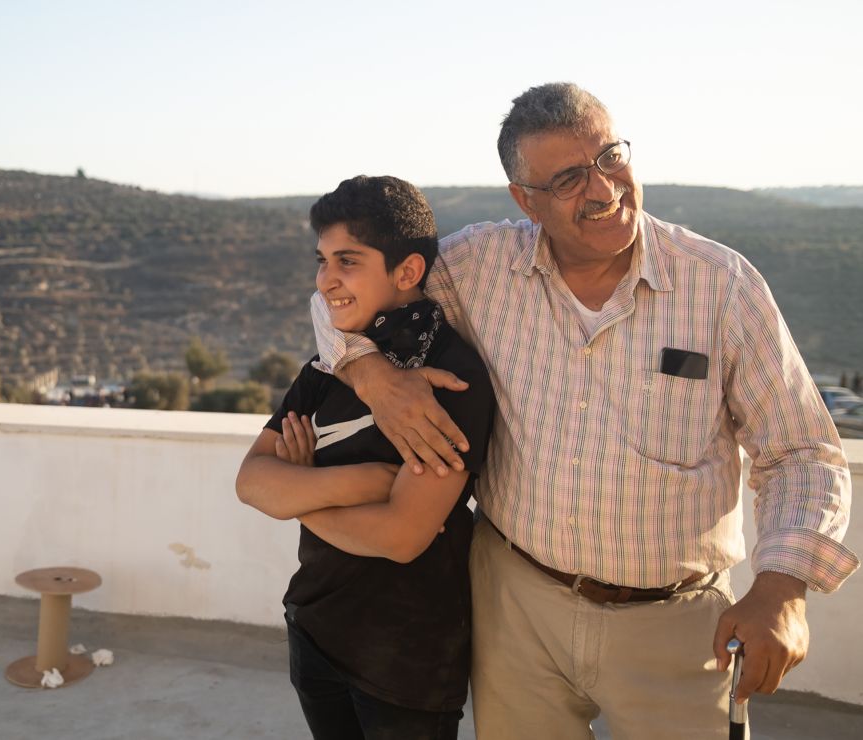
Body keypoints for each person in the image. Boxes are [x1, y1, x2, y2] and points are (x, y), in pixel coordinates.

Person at [309, 84, 858, 739]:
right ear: (526, 200)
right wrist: (368, 372)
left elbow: (799, 450)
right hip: (516, 610)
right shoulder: (478, 267)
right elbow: (342, 293)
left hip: (677, 626)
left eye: (610, 157)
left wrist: (782, 588)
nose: (603, 189)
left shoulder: (722, 285)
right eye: (568, 179)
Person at [237, 175, 495, 740]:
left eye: (346, 261)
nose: (325, 280)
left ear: (406, 272)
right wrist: (371, 479)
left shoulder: (454, 379)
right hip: (313, 629)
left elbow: (402, 537)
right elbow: (252, 481)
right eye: (322, 260)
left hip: (406, 660)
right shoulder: (328, 366)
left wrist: (300, 493)